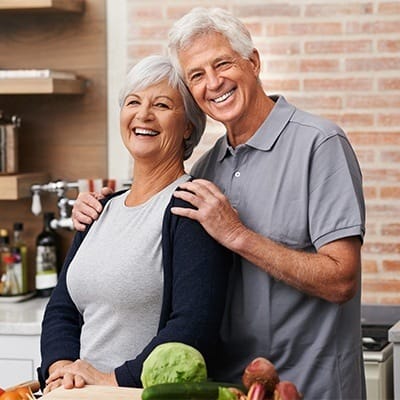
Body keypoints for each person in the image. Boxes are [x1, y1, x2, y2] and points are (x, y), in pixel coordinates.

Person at [72, 8, 366, 400]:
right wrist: (101, 207)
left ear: (254, 63)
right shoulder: (208, 168)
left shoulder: (319, 145)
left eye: (222, 64)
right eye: (196, 75)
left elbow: (341, 279)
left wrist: (238, 235)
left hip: (310, 386)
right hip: (229, 389)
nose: (213, 83)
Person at [37, 54, 232, 394]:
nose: (143, 115)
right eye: (133, 102)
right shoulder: (100, 207)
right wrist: (63, 369)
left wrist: (112, 380)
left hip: (136, 393)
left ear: (188, 124)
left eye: (161, 105)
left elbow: (192, 328)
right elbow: (62, 308)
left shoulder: (190, 210)